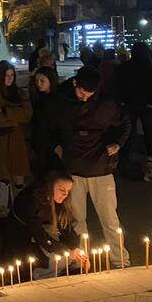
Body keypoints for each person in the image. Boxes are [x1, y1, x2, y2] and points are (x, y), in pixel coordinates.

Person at [54, 67, 131, 267]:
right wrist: (56, 147)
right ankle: (81, 259)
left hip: (101, 168)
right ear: (74, 84)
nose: (85, 98)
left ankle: (119, 257)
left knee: (109, 218)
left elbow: (125, 123)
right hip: (73, 169)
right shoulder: (62, 101)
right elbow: (50, 127)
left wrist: (117, 143)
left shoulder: (107, 104)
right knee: (77, 219)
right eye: (81, 93)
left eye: (90, 95)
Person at [6, 170, 86, 277]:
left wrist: (74, 249)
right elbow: (38, 233)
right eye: (62, 189)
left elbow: (66, 227)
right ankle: (39, 273)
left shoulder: (59, 201)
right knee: (49, 257)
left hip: (40, 232)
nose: (65, 194)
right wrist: (65, 251)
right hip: (20, 236)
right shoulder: (32, 200)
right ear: (50, 186)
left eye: (68, 190)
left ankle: (56, 269)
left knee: (65, 254)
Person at [0, 61, 32, 220]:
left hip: (16, 141)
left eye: (11, 75)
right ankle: (2, 214)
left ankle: (19, 212)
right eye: (6, 75)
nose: (9, 79)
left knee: (18, 178)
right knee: (1, 179)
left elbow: (27, 114)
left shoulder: (19, 93)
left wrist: (6, 112)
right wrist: (16, 117)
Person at [117, 42, 152, 176]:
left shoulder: (124, 67)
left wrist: (122, 100)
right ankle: (151, 158)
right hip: (147, 105)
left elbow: (118, 86)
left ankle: (124, 159)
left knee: (128, 132)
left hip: (129, 104)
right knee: (149, 133)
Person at [28, 65, 62, 180]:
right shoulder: (38, 98)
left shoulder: (57, 100)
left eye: (42, 81)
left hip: (52, 144)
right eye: (37, 81)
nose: (39, 84)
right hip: (40, 143)